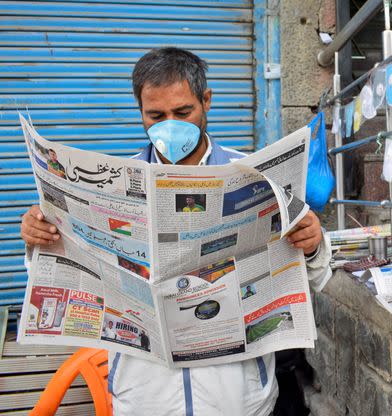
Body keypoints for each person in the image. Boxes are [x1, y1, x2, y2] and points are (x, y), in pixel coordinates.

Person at [21, 47, 332, 416]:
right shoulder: (110, 184)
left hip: (238, 401)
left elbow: (314, 274)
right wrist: (40, 238)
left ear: (206, 101)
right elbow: (66, 281)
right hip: (144, 400)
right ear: (140, 112)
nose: (170, 126)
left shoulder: (254, 177)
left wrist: (313, 244)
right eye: (156, 115)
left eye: (183, 112)